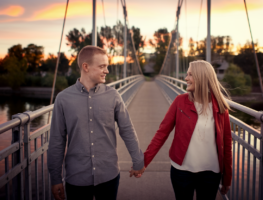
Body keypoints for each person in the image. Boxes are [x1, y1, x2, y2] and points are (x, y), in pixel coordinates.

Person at [48, 45, 144, 200]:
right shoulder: (63, 99)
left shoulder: (113, 96)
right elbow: (56, 141)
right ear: (85, 67)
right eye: (102, 66)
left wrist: (138, 161)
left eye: (107, 66)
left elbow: (127, 129)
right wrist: (55, 178)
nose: (106, 71)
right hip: (76, 178)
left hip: (109, 175)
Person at [143, 60, 232, 200]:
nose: (186, 78)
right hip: (182, 171)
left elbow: (226, 144)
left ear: (201, 77)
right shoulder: (180, 102)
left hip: (211, 173)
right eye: (187, 74)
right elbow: (162, 133)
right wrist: (144, 161)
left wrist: (227, 178)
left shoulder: (220, 107)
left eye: (190, 75)